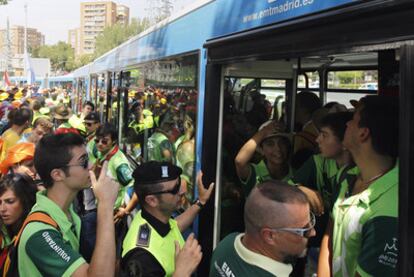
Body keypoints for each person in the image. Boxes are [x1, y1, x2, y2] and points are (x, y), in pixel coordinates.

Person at [318, 96, 399, 277]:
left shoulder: (389, 209)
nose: (347, 123)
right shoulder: (348, 176)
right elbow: (330, 233)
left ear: (364, 133)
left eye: (353, 119)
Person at [17, 133, 120, 276]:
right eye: (83, 162)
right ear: (57, 174)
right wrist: (105, 205)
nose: (90, 166)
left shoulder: (69, 214)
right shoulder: (40, 233)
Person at [121, 161, 214, 277]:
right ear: (152, 200)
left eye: (179, 183)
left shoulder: (150, 217)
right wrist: (181, 272)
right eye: (175, 189)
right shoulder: (142, 259)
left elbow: (175, 226)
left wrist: (200, 202)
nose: (182, 191)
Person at [288, 111, 353, 275]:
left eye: (324, 135)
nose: (318, 140)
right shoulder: (318, 162)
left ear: (345, 141)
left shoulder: (359, 173)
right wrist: (300, 189)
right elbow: (285, 187)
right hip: (319, 242)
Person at [210, 181, 315, 277]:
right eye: (303, 230)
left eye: (311, 221)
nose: (313, 233)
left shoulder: (227, 244)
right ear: (269, 236)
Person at [234, 121, 292, 196]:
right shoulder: (254, 173)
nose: (278, 149)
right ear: (261, 150)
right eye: (270, 144)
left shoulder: (295, 173)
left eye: (282, 143)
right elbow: (239, 161)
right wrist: (264, 131)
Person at [0, 173, 37, 270]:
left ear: (25, 201)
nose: (2, 209)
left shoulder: (36, 236)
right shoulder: (5, 234)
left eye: (10, 201)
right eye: (0, 202)